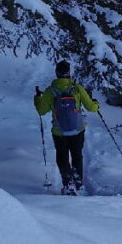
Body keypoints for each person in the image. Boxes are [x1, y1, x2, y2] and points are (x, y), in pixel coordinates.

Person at [34, 60, 99, 194]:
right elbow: (91, 108)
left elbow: (41, 110)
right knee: (77, 155)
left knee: (62, 157)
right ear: (69, 73)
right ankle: (78, 182)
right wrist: (96, 103)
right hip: (77, 129)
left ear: (57, 73)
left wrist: (37, 99)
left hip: (59, 131)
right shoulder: (77, 88)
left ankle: (68, 182)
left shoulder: (50, 91)